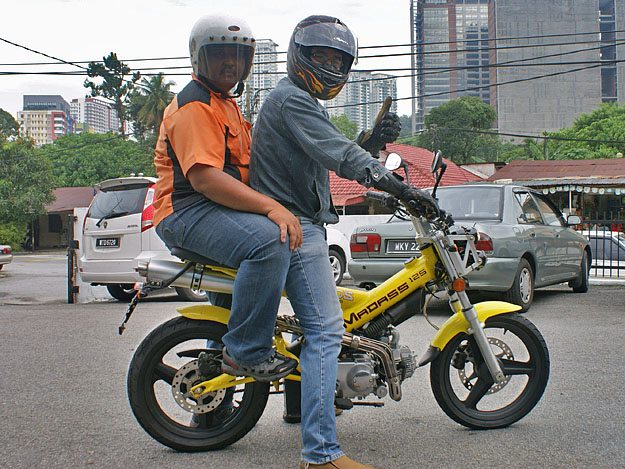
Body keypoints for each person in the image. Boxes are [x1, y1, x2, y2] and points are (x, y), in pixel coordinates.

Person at [250, 15, 440, 469]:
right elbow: (340, 155)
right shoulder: (292, 100)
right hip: (295, 227)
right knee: (326, 329)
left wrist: (370, 144)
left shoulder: (301, 103)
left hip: (301, 221)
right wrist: (399, 186)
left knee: (322, 322)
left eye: (338, 59)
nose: (331, 65)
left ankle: (307, 404)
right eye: (322, 56)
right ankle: (320, 455)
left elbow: (329, 152)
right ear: (301, 55)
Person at [152, 14, 302, 383]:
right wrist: (272, 208)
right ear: (198, 57)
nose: (230, 63)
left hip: (209, 211)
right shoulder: (196, 105)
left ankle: (213, 405)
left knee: (231, 303)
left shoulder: (225, 102)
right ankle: (247, 352)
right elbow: (206, 179)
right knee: (269, 243)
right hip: (187, 212)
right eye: (219, 53)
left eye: (238, 55)